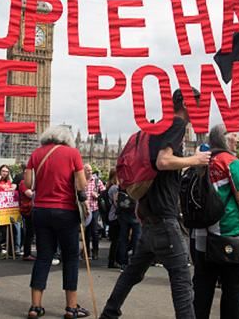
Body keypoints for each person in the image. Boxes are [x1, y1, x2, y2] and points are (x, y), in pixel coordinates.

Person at [99, 88, 211, 319]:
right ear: (188, 104)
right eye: (199, 104)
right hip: (164, 219)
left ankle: (109, 314)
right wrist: (196, 159)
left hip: (149, 219)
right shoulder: (177, 124)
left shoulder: (155, 128)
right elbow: (163, 161)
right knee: (181, 278)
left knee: (132, 273)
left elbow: (155, 170)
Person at [192, 124, 239, 319]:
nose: (238, 139)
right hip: (228, 234)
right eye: (233, 135)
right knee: (233, 290)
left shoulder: (200, 162)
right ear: (223, 138)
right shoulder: (230, 161)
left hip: (200, 237)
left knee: (202, 289)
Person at [23, 125, 90, 319]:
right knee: (70, 258)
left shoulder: (36, 153)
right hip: (65, 211)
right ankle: (71, 308)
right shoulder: (72, 153)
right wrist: (81, 177)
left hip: (41, 211)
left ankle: (35, 307)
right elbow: (81, 185)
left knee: (43, 257)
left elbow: (28, 184)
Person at [0, 165, 17, 259]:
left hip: (7, 211)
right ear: (0, 171)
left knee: (11, 232)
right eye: (3, 171)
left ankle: (10, 251)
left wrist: (14, 187)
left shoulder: (10, 182)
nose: (4, 173)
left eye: (6, 171)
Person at [83, 163, 105, 260]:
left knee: (94, 231)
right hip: (84, 210)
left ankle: (95, 251)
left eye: (91, 170)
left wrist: (98, 195)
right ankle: (86, 251)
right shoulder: (81, 181)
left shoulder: (97, 181)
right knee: (86, 232)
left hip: (94, 208)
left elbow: (104, 193)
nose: (90, 172)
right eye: (88, 170)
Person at [106, 169, 120, 269]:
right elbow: (116, 202)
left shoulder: (110, 187)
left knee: (115, 240)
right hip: (115, 216)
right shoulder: (115, 188)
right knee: (116, 241)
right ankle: (112, 261)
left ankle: (112, 260)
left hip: (112, 216)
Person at [19, 174, 36, 261]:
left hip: (34, 210)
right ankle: (27, 253)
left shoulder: (35, 183)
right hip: (28, 211)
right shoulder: (23, 183)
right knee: (29, 233)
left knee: (32, 233)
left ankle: (28, 253)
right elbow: (30, 194)